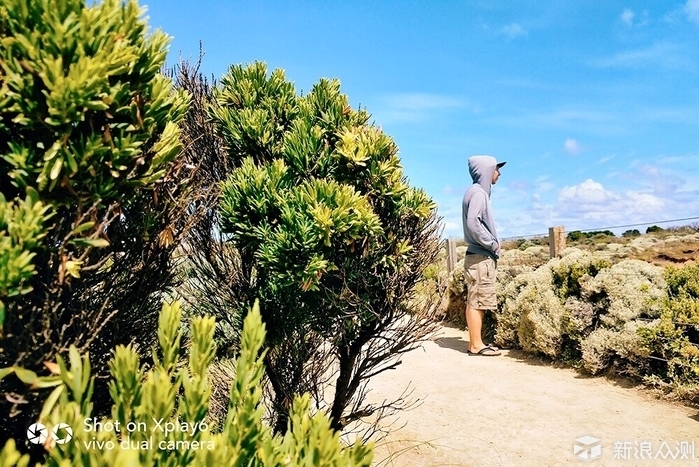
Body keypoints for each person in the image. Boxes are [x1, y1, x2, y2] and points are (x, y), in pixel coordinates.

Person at [462, 155, 506, 356]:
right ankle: (477, 345)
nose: (499, 173)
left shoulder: (474, 192)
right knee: (478, 301)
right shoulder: (479, 193)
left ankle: (474, 343)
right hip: (481, 257)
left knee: (474, 300)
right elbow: (473, 223)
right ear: (486, 171)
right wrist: (492, 244)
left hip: (475, 256)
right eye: (496, 169)